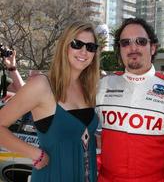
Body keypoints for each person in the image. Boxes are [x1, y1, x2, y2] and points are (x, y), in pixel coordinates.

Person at [0, 21, 100, 182]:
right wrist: (35, 154)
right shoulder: (42, 85)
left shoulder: (88, 88)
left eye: (91, 47)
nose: (84, 51)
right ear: (64, 46)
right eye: (77, 44)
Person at [96, 18, 164, 182]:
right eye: (125, 43)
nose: (133, 47)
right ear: (119, 49)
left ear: (152, 48)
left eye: (140, 41)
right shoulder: (102, 86)